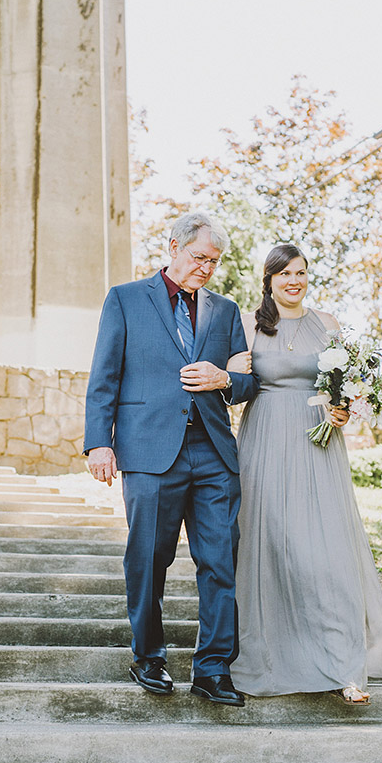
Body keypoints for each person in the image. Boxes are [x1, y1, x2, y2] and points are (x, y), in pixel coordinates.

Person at [84, 211, 258, 706]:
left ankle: (213, 668)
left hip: (213, 453)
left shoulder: (225, 312)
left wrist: (223, 379)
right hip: (147, 450)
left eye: (214, 262)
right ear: (174, 246)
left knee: (220, 561)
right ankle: (149, 657)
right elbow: (104, 375)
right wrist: (100, 441)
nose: (206, 268)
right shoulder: (124, 299)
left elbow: (247, 382)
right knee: (148, 559)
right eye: (199, 257)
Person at [228, 242, 382, 703]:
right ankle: (271, 655)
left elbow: (344, 388)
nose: (293, 281)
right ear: (269, 279)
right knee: (271, 546)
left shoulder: (327, 325)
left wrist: (344, 410)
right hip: (263, 441)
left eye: (301, 272)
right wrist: (226, 373)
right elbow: (236, 387)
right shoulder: (246, 325)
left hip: (316, 442)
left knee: (324, 551)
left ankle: (345, 666)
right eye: (284, 274)